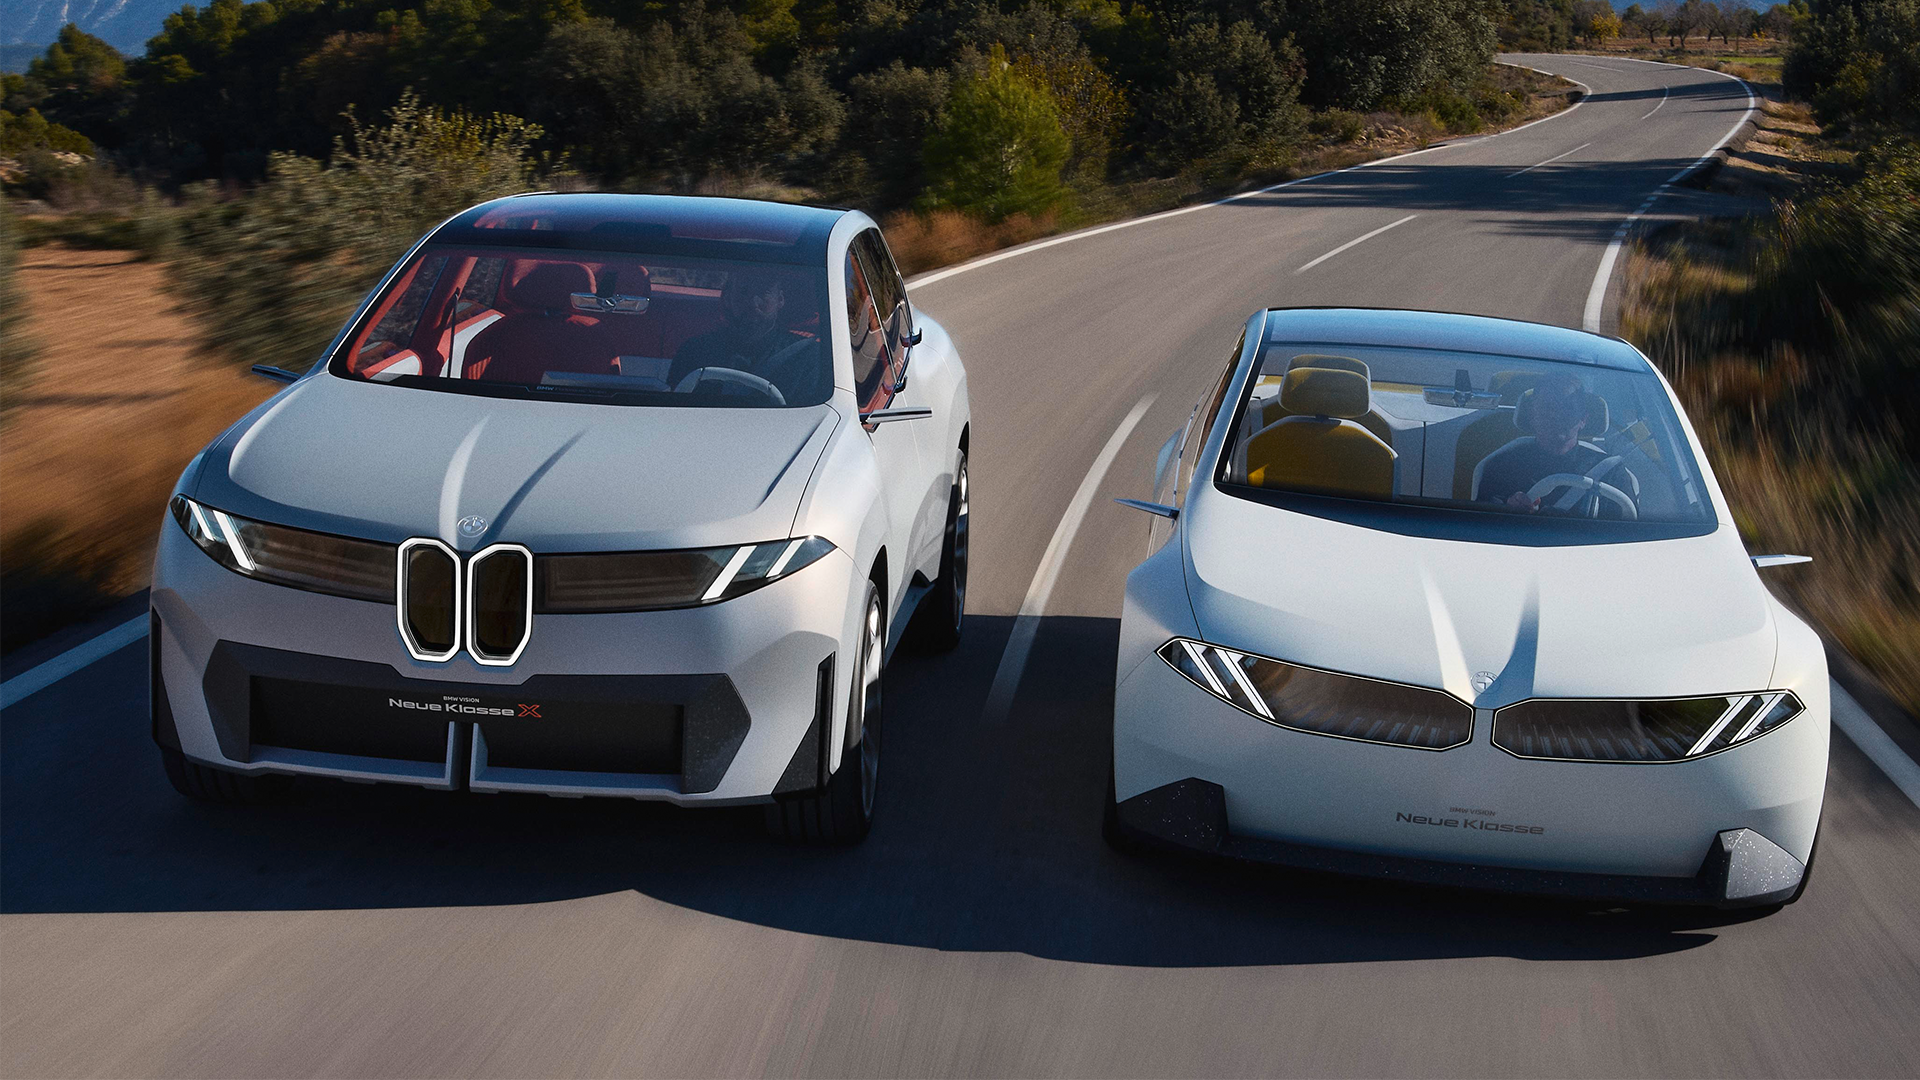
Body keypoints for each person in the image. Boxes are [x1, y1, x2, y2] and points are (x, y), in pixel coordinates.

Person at [1478, 372, 1637, 515]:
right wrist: (1509, 509)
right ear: (1532, 416)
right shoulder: (1502, 466)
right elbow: (1482, 528)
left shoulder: (1611, 472)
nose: (1556, 415)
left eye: (1567, 408)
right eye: (1548, 407)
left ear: (1583, 419)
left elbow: (1630, 536)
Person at [670, 269, 824, 401]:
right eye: (743, 291)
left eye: (764, 293)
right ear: (728, 297)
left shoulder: (806, 357)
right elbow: (670, 409)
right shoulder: (694, 351)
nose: (753, 303)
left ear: (780, 300)